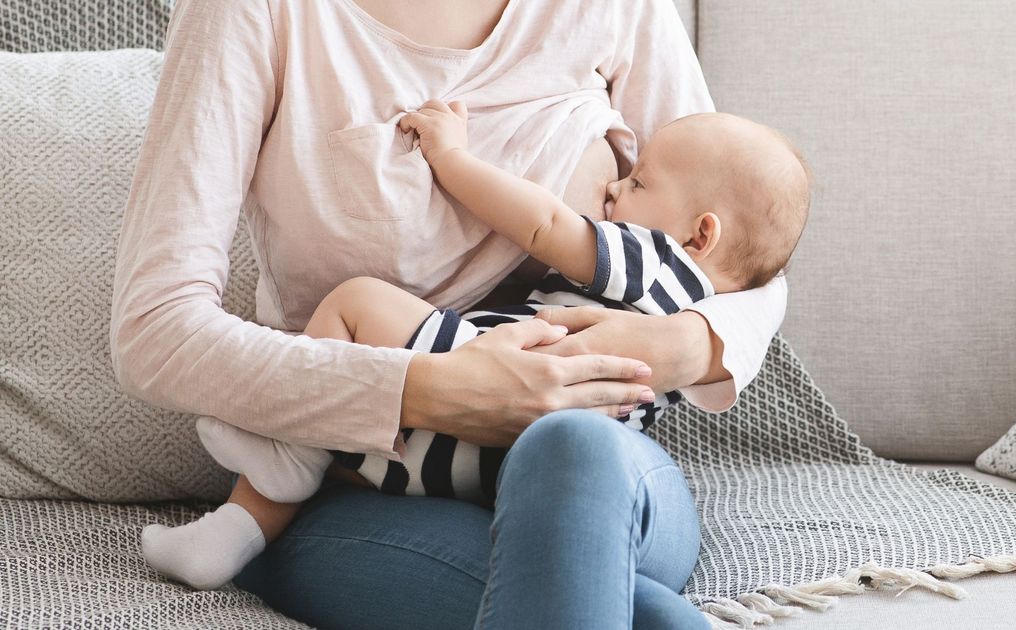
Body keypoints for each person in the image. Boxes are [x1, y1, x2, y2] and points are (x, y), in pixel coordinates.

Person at [110, 0, 789, 627]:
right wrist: (433, 390)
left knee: (570, 454)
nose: (619, 191)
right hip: (364, 476)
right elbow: (155, 330)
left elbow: (743, 249)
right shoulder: (258, 13)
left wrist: (680, 344)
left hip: (592, 472)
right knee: (603, 596)